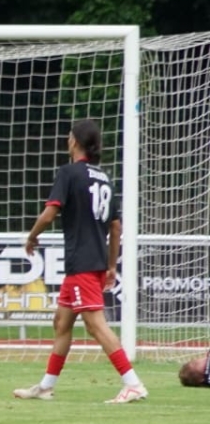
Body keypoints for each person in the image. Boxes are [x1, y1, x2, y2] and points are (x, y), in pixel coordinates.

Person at [12, 119, 147, 404]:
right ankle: (46, 386)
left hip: (81, 263)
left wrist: (32, 237)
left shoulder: (69, 173)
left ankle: (133, 383)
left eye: (69, 136)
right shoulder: (104, 178)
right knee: (62, 321)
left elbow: (50, 213)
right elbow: (116, 228)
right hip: (93, 262)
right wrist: (111, 265)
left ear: (74, 141)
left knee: (95, 325)